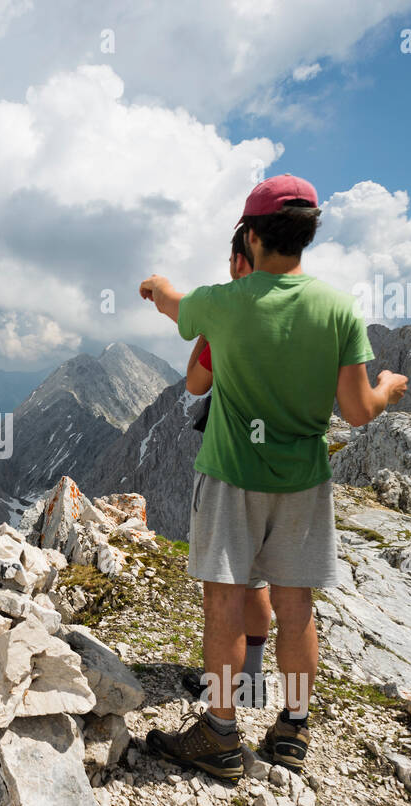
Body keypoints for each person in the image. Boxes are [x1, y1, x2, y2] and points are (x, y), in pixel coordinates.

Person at [137, 174, 408, 784]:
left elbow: (175, 307)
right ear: (306, 236)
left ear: (251, 237)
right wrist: (389, 386)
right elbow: (359, 411)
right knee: (296, 603)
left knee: (225, 599)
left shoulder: (222, 303)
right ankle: (291, 728)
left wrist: (155, 285)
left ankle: (221, 734)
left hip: (233, 477)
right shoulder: (338, 309)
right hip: (304, 481)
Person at [179, 225, 274, 709]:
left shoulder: (233, 318)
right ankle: (253, 678)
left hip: (232, 467)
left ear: (241, 262)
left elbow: (197, 382)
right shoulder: (306, 315)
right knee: (258, 579)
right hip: (284, 473)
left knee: (223, 588)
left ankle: (220, 704)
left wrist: (205, 328)